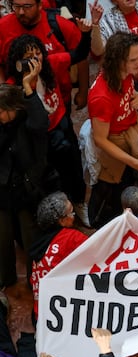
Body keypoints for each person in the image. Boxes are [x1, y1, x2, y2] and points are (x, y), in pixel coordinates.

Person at [6, 18, 95, 223]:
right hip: (37, 138)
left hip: (61, 123)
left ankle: (80, 203)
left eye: (38, 53)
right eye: (29, 56)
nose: (36, 59)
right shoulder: (14, 87)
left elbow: (79, 54)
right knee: (49, 178)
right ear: (19, 63)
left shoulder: (51, 63)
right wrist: (27, 84)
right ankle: (58, 217)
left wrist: (87, 33)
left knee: (72, 165)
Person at [87, 32, 138, 229]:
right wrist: (135, 163)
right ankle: (102, 226)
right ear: (118, 60)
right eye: (133, 59)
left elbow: (130, 95)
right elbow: (101, 139)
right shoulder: (101, 96)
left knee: (127, 183)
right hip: (114, 146)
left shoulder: (125, 74)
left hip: (129, 133)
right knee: (110, 190)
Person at [0, 68, 49, 288]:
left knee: (31, 238)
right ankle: (5, 279)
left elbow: (41, 123)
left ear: (13, 108)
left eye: (2, 111)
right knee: (2, 238)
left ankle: (33, 280)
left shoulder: (28, 120)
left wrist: (28, 87)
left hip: (26, 190)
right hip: (2, 190)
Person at [0, 0, 89, 109]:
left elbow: (80, 55)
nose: (21, 11)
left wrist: (83, 92)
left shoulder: (59, 28)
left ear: (39, 5)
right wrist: (5, 98)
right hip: (21, 106)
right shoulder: (3, 27)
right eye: (16, 6)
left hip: (60, 102)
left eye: (27, 6)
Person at [29, 192, 88, 318]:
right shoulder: (73, 238)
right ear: (61, 221)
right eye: (71, 213)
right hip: (63, 316)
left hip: (39, 313)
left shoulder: (37, 240)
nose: (74, 216)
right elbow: (99, 250)